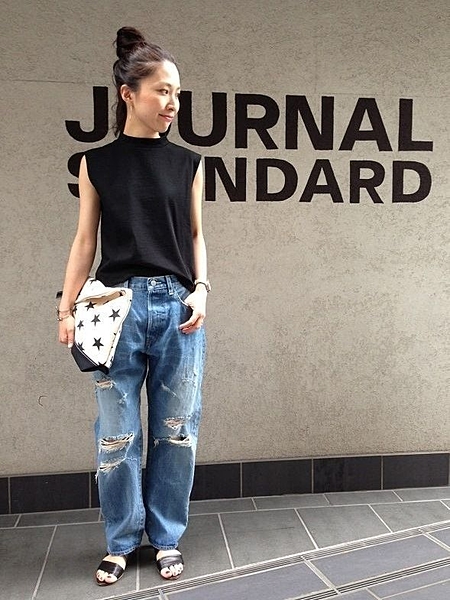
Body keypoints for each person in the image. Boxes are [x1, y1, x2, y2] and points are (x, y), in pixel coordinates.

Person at [58, 26, 209, 586]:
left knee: (176, 429)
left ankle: (166, 537)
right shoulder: (96, 164)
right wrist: (66, 309)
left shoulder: (189, 163)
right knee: (116, 434)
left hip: (178, 307)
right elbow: (84, 242)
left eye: (177, 93)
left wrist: (202, 287)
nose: (173, 103)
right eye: (163, 91)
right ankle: (121, 540)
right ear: (129, 94)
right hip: (114, 308)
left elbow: (195, 235)